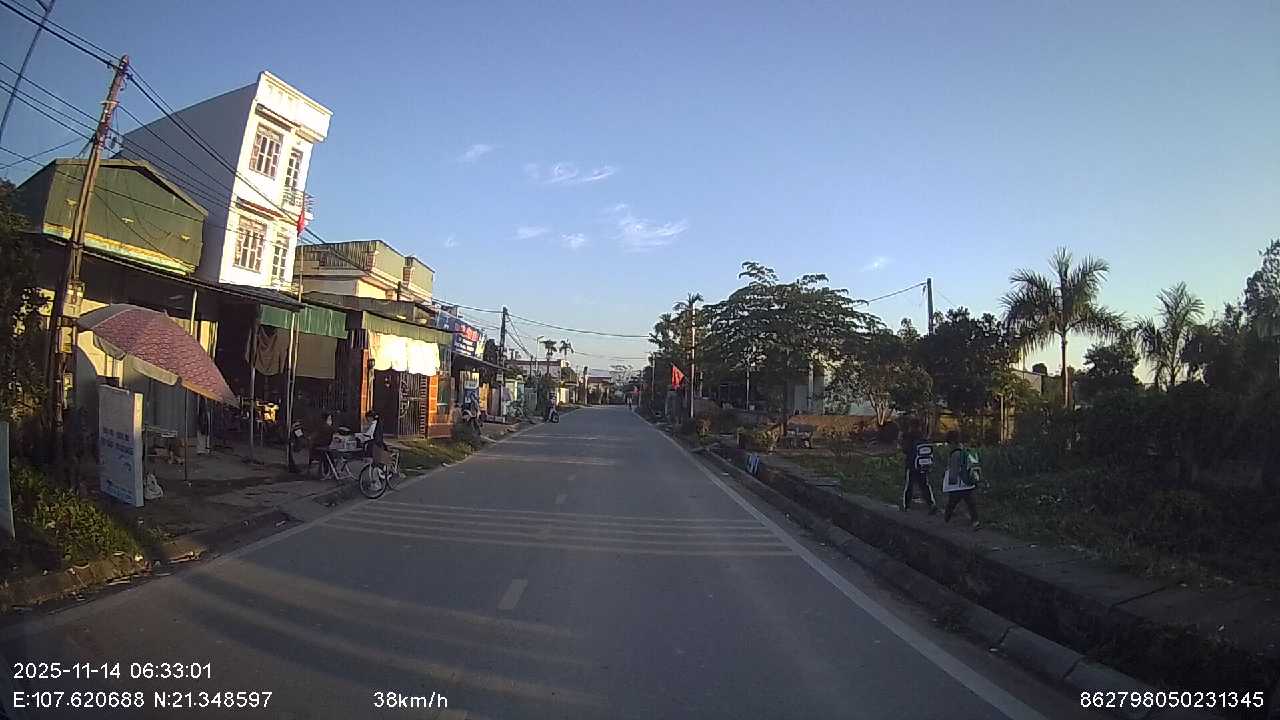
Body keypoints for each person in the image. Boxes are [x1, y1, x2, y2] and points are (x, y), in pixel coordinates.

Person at [941, 430, 980, 529]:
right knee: (971, 503)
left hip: (958, 484)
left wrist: (950, 482)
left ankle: (946, 518)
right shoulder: (967, 451)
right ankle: (975, 520)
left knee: (952, 503)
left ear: (951, 442)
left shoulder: (955, 454)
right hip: (968, 482)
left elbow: (953, 470)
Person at [899, 418, 937, 514]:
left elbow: (905, 449)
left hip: (911, 464)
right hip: (922, 464)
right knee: (924, 485)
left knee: (909, 485)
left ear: (911, 426)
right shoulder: (922, 437)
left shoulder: (908, 436)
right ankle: (931, 504)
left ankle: (906, 506)